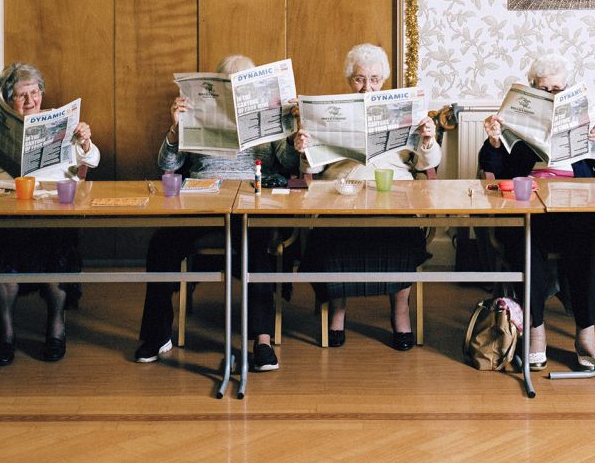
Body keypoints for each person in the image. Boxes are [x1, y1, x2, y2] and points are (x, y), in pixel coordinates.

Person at [135, 55, 302, 371]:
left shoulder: (269, 117)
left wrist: (294, 135)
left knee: (257, 249)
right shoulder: (197, 113)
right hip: (202, 201)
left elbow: (290, 163)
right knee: (161, 245)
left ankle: (262, 341)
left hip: (251, 201)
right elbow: (167, 165)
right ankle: (157, 335)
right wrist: (175, 129)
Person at [295, 43, 440, 350]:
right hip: (340, 193)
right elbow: (311, 169)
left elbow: (425, 165)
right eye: (360, 79)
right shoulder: (330, 114)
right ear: (350, 80)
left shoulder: (403, 112)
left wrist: (428, 140)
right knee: (330, 238)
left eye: (374, 79)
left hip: (393, 193)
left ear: (383, 80)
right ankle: (338, 310)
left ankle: (400, 312)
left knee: (402, 237)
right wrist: (305, 149)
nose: (367, 87)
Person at [479, 54, 595, 371]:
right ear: (533, 90)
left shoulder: (584, 117)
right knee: (524, 241)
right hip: (529, 201)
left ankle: (586, 335)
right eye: (544, 89)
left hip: (575, 203)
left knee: (589, 241)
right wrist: (495, 141)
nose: (552, 94)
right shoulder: (518, 117)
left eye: (557, 89)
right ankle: (536, 331)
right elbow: (493, 167)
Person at [0, 62, 99, 366]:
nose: (30, 100)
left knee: (59, 245)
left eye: (35, 93)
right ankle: (5, 333)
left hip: (50, 214)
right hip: (6, 215)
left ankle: (56, 328)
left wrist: (85, 140)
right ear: (9, 101)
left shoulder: (58, 124)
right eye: (21, 95)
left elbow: (91, 161)